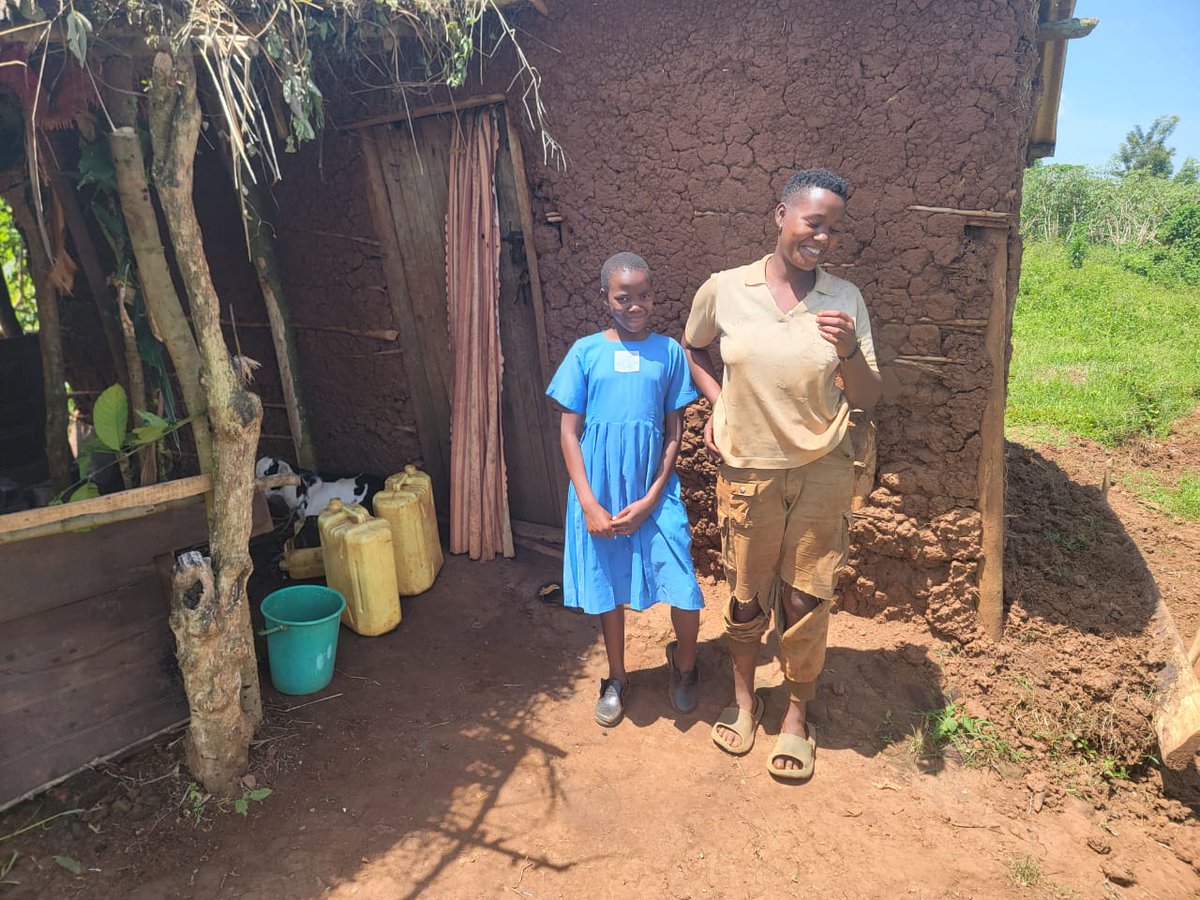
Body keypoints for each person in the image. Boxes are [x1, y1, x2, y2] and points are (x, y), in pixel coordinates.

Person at [683, 169, 882, 780]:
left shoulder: (844, 300)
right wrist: (718, 401)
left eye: (833, 230)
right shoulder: (724, 289)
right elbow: (691, 348)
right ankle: (744, 702)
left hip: (824, 467)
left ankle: (797, 714)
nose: (821, 238)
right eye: (812, 223)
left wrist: (848, 351)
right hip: (748, 468)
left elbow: (872, 395)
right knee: (746, 594)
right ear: (780, 215)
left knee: (805, 593)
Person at [547, 252, 704, 727]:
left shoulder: (669, 352)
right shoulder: (586, 352)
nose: (634, 305)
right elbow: (568, 432)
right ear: (605, 298)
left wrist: (654, 495)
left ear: (653, 295)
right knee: (608, 586)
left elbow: (674, 431)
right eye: (623, 297)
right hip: (600, 493)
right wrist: (589, 503)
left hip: (654, 492)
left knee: (684, 584)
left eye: (643, 296)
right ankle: (616, 677)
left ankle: (686, 666)